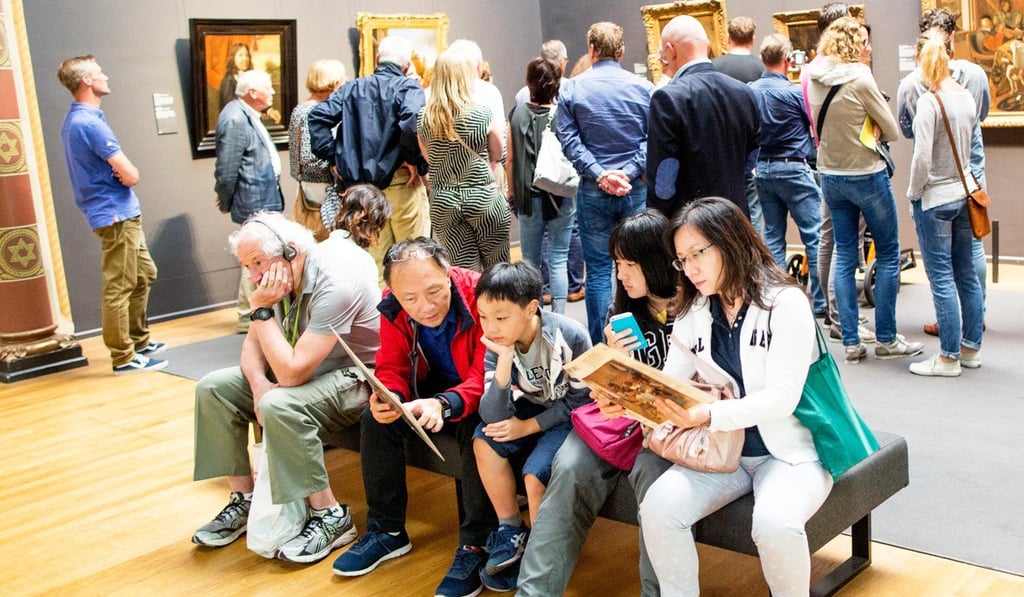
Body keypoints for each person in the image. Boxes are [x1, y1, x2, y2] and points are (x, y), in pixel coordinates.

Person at [640, 196, 833, 596]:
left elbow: (782, 398)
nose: (689, 268)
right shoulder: (694, 311)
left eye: (698, 253)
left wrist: (708, 414)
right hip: (726, 453)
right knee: (657, 507)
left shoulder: (785, 303)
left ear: (730, 242)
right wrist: (629, 400)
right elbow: (668, 384)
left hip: (789, 454)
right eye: (682, 259)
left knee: (775, 524)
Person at [191, 196, 387, 563]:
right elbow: (252, 348)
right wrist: (257, 384)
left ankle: (331, 515)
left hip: (361, 375)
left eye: (257, 264)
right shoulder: (274, 278)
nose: (253, 277)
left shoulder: (334, 280)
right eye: (247, 267)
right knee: (213, 389)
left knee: (280, 403)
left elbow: (292, 373)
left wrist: (262, 311)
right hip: (306, 364)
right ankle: (245, 500)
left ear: (291, 252)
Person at [517, 209, 677, 597]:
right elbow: (605, 390)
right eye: (618, 263)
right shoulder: (622, 312)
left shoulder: (693, 310)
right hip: (619, 422)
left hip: (671, 430)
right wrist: (610, 365)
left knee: (651, 475)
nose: (620, 274)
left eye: (630, 264)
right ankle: (533, 592)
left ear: (657, 261)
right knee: (568, 466)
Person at [331, 238, 498, 597]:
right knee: (376, 420)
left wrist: (444, 403)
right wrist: (388, 395)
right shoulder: (392, 308)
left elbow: (487, 374)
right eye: (411, 299)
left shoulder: (483, 296)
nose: (425, 306)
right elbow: (391, 366)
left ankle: (477, 543)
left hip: (484, 395)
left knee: (478, 431)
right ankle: (387, 531)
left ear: (448, 272)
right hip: (432, 391)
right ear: (394, 292)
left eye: (435, 291)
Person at [805, 17, 923, 364]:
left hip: (831, 175)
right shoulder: (860, 77)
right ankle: (886, 338)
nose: (867, 47)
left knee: (844, 255)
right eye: (863, 41)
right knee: (887, 253)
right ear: (851, 45)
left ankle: (852, 342)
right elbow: (891, 131)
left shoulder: (813, 77)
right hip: (867, 175)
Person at [472, 261, 592, 591]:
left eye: (500, 317)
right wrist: (504, 361)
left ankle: (541, 556)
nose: (490, 327)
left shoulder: (570, 335)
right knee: (484, 438)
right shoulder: (497, 346)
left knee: (535, 475)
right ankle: (511, 530)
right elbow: (492, 415)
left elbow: (581, 402)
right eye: (483, 317)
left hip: (569, 419)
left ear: (531, 308)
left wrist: (528, 427)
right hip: (533, 409)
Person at [57, 55, 166, 375]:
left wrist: (123, 173)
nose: (106, 76)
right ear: (87, 81)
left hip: (121, 211)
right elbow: (130, 174)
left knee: (144, 274)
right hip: (115, 214)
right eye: (99, 72)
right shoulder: (87, 122)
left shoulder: (83, 119)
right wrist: (126, 173)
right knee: (120, 285)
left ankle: (140, 339)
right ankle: (123, 355)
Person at [557, 21, 653, 345]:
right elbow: (652, 139)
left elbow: (569, 141)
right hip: (633, 188)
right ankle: (641, 341)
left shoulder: (571, 88)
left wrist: (600, 173)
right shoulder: (644, 88)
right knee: (637, 265)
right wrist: (627, 170)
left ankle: (603, 346)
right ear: (622, 51)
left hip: (592, 189)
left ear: (592, 50)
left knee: (597, 271)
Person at [897, 8, 991, 338]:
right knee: (967, 265)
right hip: (968, 179)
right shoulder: (968, 88)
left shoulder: (919, 93)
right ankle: (971, 339)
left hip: (936, 189)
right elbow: (981, 118)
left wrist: (913, 194)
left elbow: (918, 151)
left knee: (941, 274)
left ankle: (949, 351)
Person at [308, 35, 431, 286]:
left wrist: (333, 157)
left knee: (376, 261)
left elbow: (317, 117)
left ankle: (384, 321)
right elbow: (411, 124)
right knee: (414, 254)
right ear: (406, 66)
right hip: (400, 182)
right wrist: (414, 160)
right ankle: (413, 319)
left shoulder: (351, 88)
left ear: (377, 59)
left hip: (362, 190)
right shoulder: (408, 87)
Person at [647, 15, 760, 220]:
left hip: (690, 224)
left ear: (670, 50)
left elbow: (663, 179)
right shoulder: (745, 92)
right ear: (707, 47)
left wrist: (658, 221)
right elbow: (751, 158)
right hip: (736, 216)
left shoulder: (667, 97)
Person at [749, 34, 827, 317]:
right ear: (787, 59)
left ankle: (777, 303)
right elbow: (814, 128)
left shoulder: (750, 91)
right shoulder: (796, 93)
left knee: (773, 237)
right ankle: (821, 303)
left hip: (763, 170)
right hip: (793, 168)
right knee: (815, 236)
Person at [417, 48, 511, 272]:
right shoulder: (481, 114)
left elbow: (429, 158)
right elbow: (497, 154)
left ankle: (471, 308)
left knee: (464, 272)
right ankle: (498, 307)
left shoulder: (424, 117)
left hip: (444, 200)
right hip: (483, 197)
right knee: (497, 269)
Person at [215, 69, 285, 333]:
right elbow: (227, 167)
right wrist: (225, 200)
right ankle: (247, 316)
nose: (273, 92)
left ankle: (251, 312)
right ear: (253, 93)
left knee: (259, 255)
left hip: (261, 196)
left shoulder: (246, 114)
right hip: (252, 198)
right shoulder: (235, 118)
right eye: (269, 87)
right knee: (255, 257)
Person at [506, 58, 576, 314]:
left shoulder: (517, 114)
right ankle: (559, 316)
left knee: (530, 261)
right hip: (561, 196)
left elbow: (511, 159)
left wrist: (511, 192)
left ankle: (533, 314)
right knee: (558, 258)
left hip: (528, 197)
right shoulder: (563, 115)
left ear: (529, 83)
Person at [712, 16, 767, 236]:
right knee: (753, 214)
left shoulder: (714, 66)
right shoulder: (760, 68)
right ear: (752, 40)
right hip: (749, 154)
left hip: (718, 154)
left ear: (728, 38)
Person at [288, 59, 347, 241]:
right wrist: (336, 167)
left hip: (310, 187)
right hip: (320, 189)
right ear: (333, 83)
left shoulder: (302, 108)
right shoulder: (314, 111)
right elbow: (308, 156)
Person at [218, 43, 252, 111]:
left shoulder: (248, 77)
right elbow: (231, 109)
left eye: (247, 55)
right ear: (233, 58)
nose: (245, 58)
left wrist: (268, 111)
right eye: (240, 55)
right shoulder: (229, 81)